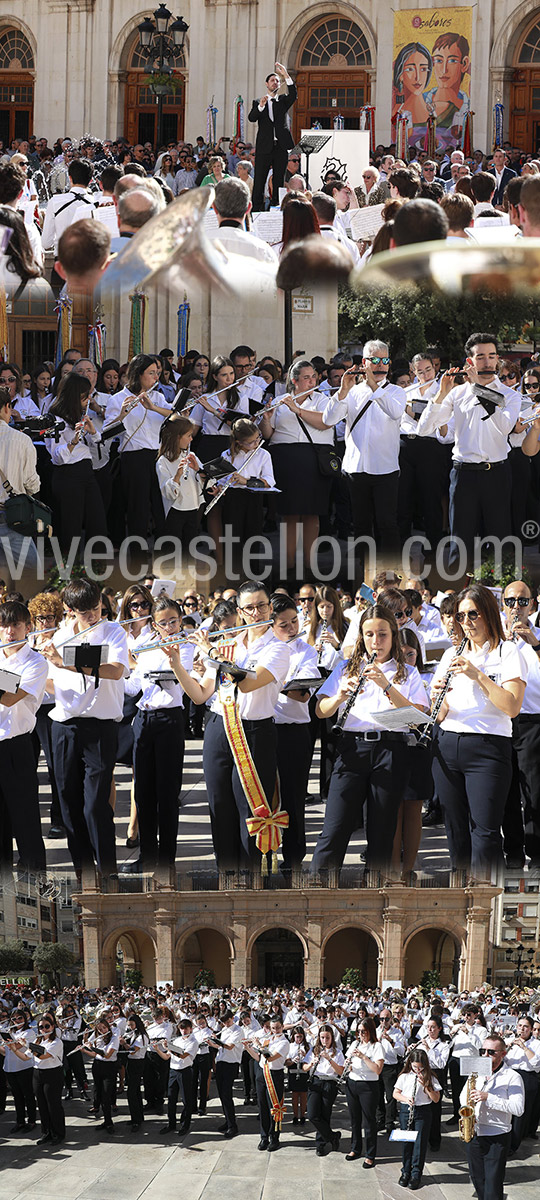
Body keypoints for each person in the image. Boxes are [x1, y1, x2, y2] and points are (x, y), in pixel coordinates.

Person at [310, 604, 428, 876]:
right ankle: (319, 889)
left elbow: (416, 718)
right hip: (352, 748)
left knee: (382, 830)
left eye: (383, 634)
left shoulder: (407, 672)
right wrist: (340, 696)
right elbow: (320, 710)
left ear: (393, 635)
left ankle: (374, 892)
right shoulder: (346, 667)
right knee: (335, 826)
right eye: (370, 634)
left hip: (391, 749)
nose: (376, 641)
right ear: (361, 636)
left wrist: (386, 686)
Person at [430, 583, 526, 882]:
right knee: (456, 830)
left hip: (489, 747)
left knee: (484, 832)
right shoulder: (449, 655)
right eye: (460, 616)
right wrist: (436, 697)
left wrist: (477, 674)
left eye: (473, 614)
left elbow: (511, 706)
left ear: (488, 614)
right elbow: (441, 713)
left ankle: (488, 900)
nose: (467, 622)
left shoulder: (507, 651)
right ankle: (459, 897)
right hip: (448, 744)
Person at [40, 578, 129, 879]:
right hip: (64, 725)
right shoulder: (60, 636)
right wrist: (28, 679)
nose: (93, 615)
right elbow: (53, 684)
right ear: (69, 609)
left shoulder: (114, 632)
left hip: (101, 727)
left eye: (96, 608)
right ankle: (84, 874)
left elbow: (115, 671)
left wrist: (66, 662)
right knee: (68, 804)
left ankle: (108, 873)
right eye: (84, 611)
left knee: (95, 805)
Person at [416, 333, 521, 571]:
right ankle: (455, 595)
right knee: (459, 540)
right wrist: (442, 393)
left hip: (496, 472)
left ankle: (498, 594)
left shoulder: (510, 395)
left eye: (491, 356)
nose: (487, 362)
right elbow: (425, 429)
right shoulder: (457, 393)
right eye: (480, 356)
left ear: (497, 360)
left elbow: (505, 426)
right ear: (469, 361)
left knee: (498, 539)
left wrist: (478, 388)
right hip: (463, 475)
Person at [322, 344, 407, 571]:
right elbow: (329, 419)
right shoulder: (352, 392)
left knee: (387, 523)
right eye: (375, 360)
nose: (380, 366)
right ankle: (363, 570)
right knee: (360, 525)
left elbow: (395, 412)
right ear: (364, 364)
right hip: (356, 470)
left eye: (385, 361)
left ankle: (392, 572)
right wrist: (342, 392)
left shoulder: (396, 391)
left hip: (385, 469)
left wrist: (372, 385)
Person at [258, 358, 335, 573]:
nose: (312, 381)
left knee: (312, 513)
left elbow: (325, 422)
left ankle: (310, 565)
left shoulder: (322, 400)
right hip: (286, 459)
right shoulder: (280, 401)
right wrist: (266, 418)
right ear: (295, 381)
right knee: (290, 514)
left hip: (315, 458)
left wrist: (298, 410)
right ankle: (289, 564)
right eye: (306, 378)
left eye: (314, 377)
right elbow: (268, 434)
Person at [271, 593, 319, 872]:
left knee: (293, 798)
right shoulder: (261, 648)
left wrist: (269, 682)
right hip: (263, 728)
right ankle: (263, 857)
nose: (291, 628)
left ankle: (293, 860)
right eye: (283, 624)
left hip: (294, 731)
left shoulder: (306, 650)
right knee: (262, 798)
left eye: (294, 621)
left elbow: (301, 694)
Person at [0, 600, 47, 872]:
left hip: (17, 747)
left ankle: (36, 889)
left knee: (25, 822)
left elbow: (9, 697)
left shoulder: (36, 662)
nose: (9, 632)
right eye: (4, 625)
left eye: (16, 625)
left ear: (28, 627)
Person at [46, 372, 108, 553]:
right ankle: (69, 574)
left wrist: (92, 431)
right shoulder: (54, 419)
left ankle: (97, 572)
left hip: (86, 472)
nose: (88, 400)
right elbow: (56, 457)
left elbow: (97, 443)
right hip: (67, 475)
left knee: (97, 523)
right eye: (84, 396)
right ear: (73, 397)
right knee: (70, 529)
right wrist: (73, 441)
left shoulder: (80, 415)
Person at [460, 1034, 524, 1200]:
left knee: (493, 1186)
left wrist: (489, 1097)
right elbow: (462, 1097)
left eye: (491, 1052)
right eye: (482, 1051)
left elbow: (518, 1108)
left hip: (497, 1136)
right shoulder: (476, 1072)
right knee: (477, 1179)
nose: (485, 1056)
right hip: (474, 1133)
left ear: (503, 1054)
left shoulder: (513, 1077)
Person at [0, 384, 41, 572]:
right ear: (7, 407)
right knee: (33, 574)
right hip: (11, 516)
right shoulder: (21, 440)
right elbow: (31, 483)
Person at [249, 62, 297, 212]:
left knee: (278, 181)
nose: (275, 82)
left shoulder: (282, 100)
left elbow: (294, 95)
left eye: (277, 80)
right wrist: (261, 106)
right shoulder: (258, 102)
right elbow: (252, 118)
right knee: (259, 180)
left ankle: (276, 209)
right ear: (266, 84)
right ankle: (256, 210)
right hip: (264, 147)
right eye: (272, 80)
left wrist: (286, 75)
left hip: (281, 147)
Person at [393, 1047, 441, 1190]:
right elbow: (395, 1093)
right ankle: (405, 1171)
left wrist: (427, 1087)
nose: (418, 1070)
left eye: (420, 1067)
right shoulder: (404, 1076)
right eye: (415, 1067)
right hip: (406, 1111)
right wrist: (405, 1099)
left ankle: (416, 1174)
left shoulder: (430, 1077)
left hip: (423, 1111)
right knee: (407, 1142)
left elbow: (436, 1099)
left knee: (420, 1144)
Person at [155, 413, 203, 549]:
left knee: (189, 549)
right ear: (177, 437)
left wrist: (198, 469)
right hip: (175, 510)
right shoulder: (163, 461)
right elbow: (167, 492)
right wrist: (177, 476)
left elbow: (203, 480)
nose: (191, 439)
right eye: (188, 436)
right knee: (172, 548)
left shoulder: (191, 456)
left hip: (193, 508)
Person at [245, 1016, 291, 1151]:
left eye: (278, 1027)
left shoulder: (284, 1042)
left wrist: (258, 1045)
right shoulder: (268, 1040)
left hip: (275, 1075)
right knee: (263, 1107)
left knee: (274, 1107)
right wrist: (248, 1047)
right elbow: (258, 1057)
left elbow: (270, 1057)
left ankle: (274, 1137)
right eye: (272, 1028)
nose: (275, 1030)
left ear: (282, 1027)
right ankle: (264, 1137)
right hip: (262, 1074)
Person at [344, 1016, 384, 1167]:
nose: (361, 1035)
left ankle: (370, 1154)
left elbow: (378, 1070)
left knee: (369, 1121)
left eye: (364, 1032)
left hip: (368, 1086)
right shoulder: (355, 1043)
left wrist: (363, 1057)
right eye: (358, 1032)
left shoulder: (377, 1047)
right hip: (352, 1083)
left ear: (370, 1031)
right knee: (355, 1119)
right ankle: (355, 1148)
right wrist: (348, 1065)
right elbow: (347, 1061)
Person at [302, 1023, 345, 1157]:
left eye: (327, 1038)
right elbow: (304, 1068)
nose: (325, 1041)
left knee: (325, 1115)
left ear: (332, 1038)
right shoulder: (314, 1050)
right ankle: (332, 1136)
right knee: (312, 1114)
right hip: (315, 1081)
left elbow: (341, 1071)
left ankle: (320, 1144)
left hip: (330, 1083)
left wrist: (329, 1059)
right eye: (322, 1038)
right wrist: (311, 1064)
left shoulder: (337, 1052)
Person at [155, 1016, 198, 1136]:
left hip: (185, 1071)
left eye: (186, 1029)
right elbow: (167, 1057)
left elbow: (183, 1056)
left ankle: (185, 1124)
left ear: (190, 1029)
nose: (183, 1031)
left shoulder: (193, 1042)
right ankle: (171, 1123)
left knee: (186, 1099)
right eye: (181, 1029)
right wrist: (158, 1049)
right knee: (171, 1098)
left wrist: (168, 1047)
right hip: (173, 1071)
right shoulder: (177, 1040)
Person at [206, 1009, 244, 1138]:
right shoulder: (225, 1029)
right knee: (222, 1094)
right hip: (221, 1062)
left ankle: (233, 1126)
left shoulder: (238, 1030)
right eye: (224, 1023)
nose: (226, 1024)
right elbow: (222, 1047)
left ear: (232, 1018)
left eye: (228, 1021)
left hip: (231, 1064)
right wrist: (212, 1043)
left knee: (227, 1095)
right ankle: (228, 1121)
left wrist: (217, 1041)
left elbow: (229, 1046)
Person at [81, 1016, 120, 1133]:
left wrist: (92, 1048)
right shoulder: (98, 1037)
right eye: (99, 1029)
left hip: (109, 1067)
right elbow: (94, 1054)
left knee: (106, 1095)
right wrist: (85, 1044)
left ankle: (109, 1122)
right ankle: (107, 1121)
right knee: (99, 1092)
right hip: (97, 1066)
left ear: (108, 1026)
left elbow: (107, 1055)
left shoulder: (114, 1038)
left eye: (104, 1027)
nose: (103, 1031)